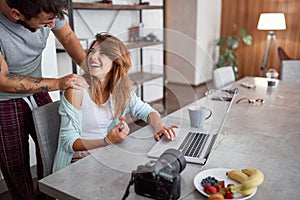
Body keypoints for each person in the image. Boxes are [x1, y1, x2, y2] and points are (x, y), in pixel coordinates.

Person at [0, 0, 89, 199]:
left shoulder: (47, 6)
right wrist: (58, 83)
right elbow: (3, 80)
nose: (51, 26)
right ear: (16, 14)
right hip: (3, 100)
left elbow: (66, 37)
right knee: (16, 168)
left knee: (55, 152)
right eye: (45, 23)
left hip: (38, 88)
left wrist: (93, 69)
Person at [53, 33, 179, 172]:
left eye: (102, 53)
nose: (93, 57)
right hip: (78, 162)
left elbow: (147, 111)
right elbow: (68, 142)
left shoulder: (121, 90)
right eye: (92, 51)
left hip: (106, 154)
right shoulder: (76, 91)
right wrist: (107, 141)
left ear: (116, 62)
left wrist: (159, 127)